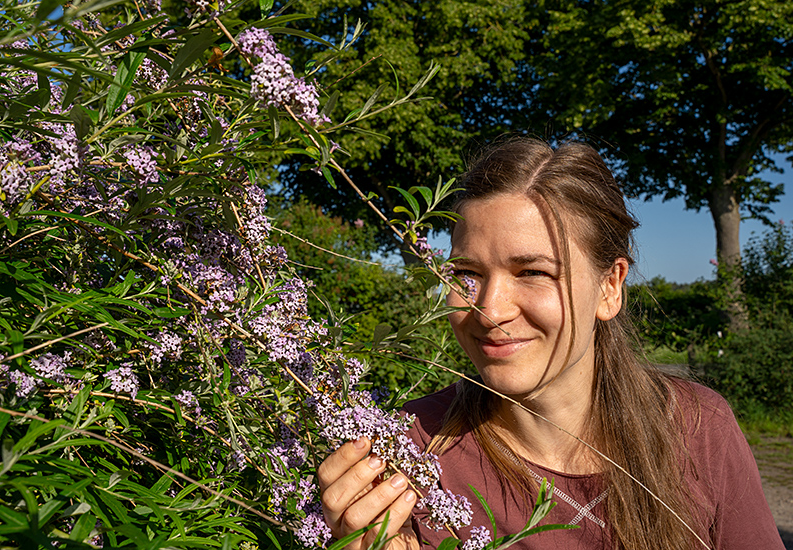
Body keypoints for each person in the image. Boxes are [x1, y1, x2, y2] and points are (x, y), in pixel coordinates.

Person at [317, 137, 785, 550]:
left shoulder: (698, 429)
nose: (489, 309)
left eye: (533, 272)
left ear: (610, 287)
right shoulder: (404, 455)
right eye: (467, 274)